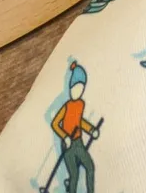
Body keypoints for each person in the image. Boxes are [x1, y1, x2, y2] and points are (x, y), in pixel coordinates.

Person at [51, 62, 99, 193]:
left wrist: (91, 130)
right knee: (74, 174)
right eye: (74, 88)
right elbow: (55, 123)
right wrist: (65, 136)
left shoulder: (81, 104)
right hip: (68, 145)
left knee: (90, 167)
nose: (77, 91)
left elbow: (79, 122)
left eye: (80, 88)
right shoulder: (67, 106)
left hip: (79, 143)